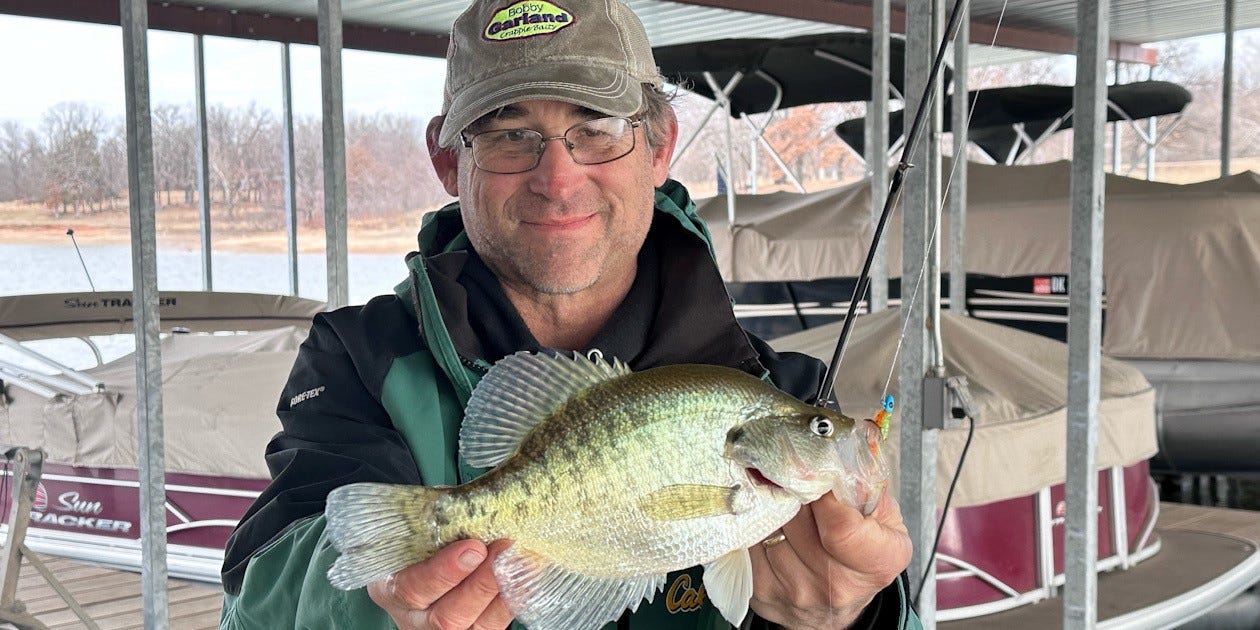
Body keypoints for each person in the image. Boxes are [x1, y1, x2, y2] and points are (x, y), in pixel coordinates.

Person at [220, 0, 918, 628]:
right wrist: (372, 609)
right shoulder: (360, 358)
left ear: (658, 146)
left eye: (598, 127)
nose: (557, 179)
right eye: (510, 134)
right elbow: (260, 595)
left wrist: (861, 616)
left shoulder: (783, 387)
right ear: (446, 161)